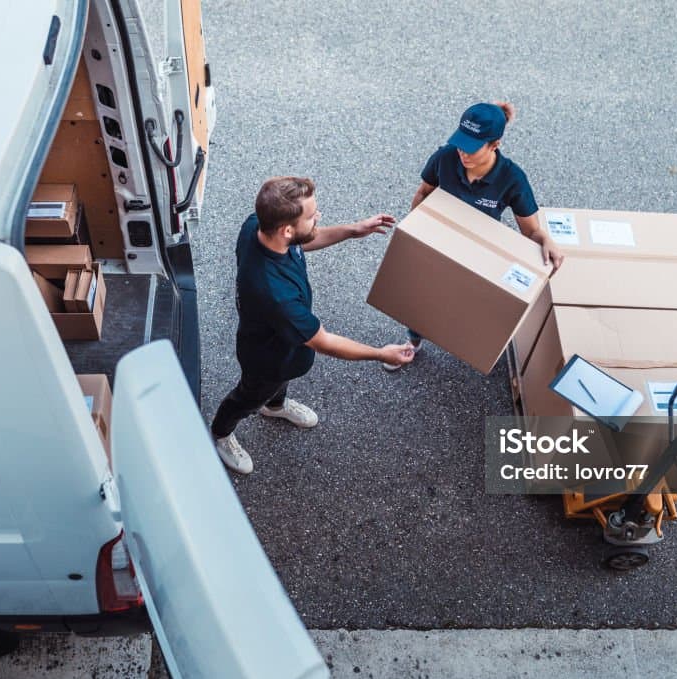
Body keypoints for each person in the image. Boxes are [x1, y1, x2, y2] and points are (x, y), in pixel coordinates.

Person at [211, 176, 415, 474]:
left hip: (286, 346)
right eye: (312, 215)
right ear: (287, 229)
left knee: (278, 384)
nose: (318, 217)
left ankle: (275, 406)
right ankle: (221, 433)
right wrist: (381, 354)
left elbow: (303, 241)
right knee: (248, 396)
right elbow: (324, 342)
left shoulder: (257, 226)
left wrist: (352, 229)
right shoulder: (277, 296)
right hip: (267, 358)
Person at [383, 101, 566, 370]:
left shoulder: (512, 178)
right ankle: (413, 340)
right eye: (461, 142)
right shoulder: (445, 157)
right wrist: (415, 231)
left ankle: (466, 342)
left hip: (479, 250)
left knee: (466, 300)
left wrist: (546, 241)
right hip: (439, 241)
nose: (462, 153)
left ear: (495, 145)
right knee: (423, 295)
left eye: (472, 147)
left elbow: (531, 230)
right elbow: (424, 192)